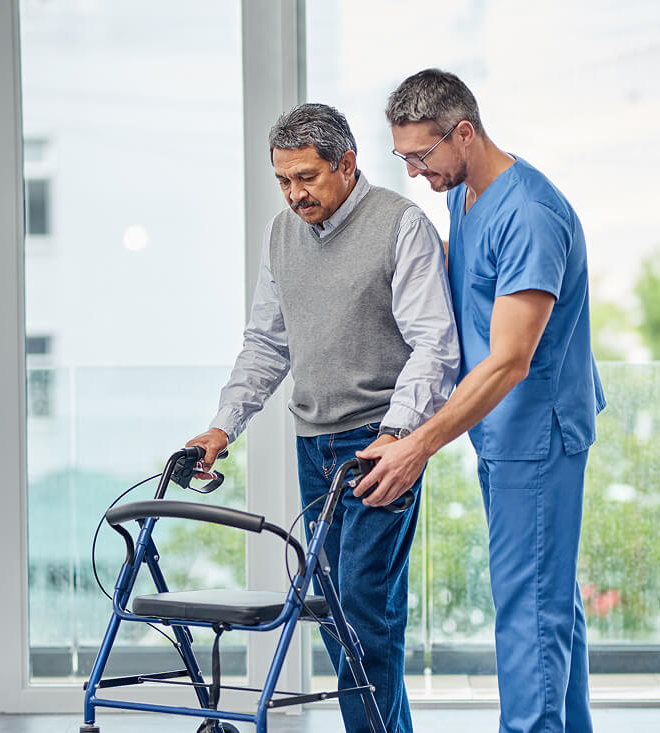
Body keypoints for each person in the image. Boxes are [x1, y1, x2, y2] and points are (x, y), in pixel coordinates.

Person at [186, 102, 459, 733]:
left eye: (306, 177)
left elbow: (434, 344)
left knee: (364, 610)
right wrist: (222, 427)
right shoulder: (281, 234)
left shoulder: (400, 225)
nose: (294, 194)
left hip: (378, 443)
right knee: (338, 611)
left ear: (347, 163)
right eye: (283, 180)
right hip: (313, 444)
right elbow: (266, 342)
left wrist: (397, 435)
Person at [357, 69, 605, 733]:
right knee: (548, 599)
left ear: (463, 132)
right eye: (403, 158)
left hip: (536, 433)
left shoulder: (529, 215)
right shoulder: (466, 195)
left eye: (422, 156)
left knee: (529, 610)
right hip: (503, 435)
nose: (415, 173)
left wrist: (417, 445)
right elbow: (467, 281)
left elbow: (510, 359)